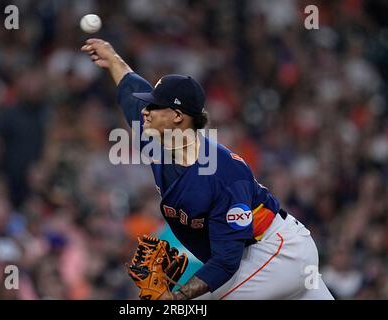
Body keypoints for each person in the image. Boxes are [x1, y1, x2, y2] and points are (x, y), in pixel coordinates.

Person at [81, 38, 334, 300]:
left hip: (277, 252)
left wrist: (176, 298)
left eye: (154, 106)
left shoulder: (222, 174)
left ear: (177, 117)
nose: (146, 111)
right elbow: (133, 93)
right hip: (254, 256)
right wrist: (112, 59)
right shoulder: (156, 138)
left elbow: (226, 262)